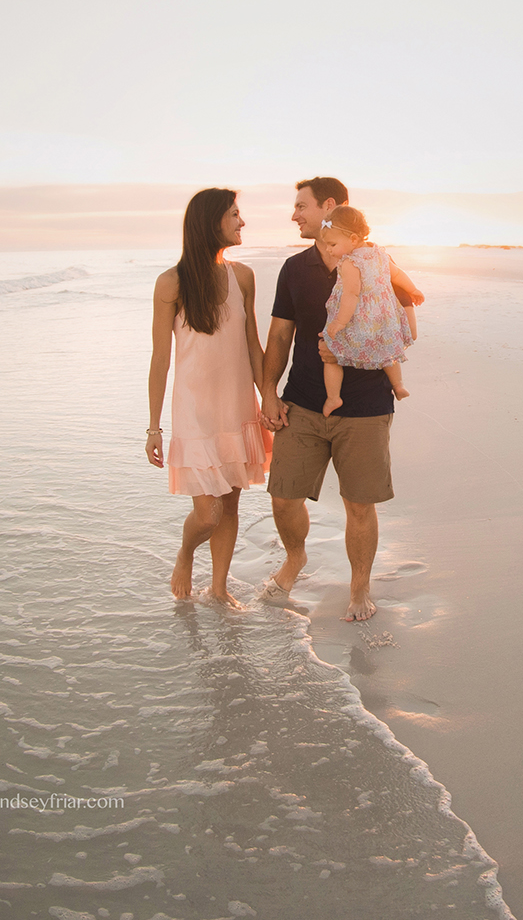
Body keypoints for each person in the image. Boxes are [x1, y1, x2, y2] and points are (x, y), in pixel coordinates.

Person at [259, 177, 423, 621]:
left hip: (366, 407)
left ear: (328, 207)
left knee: (359, 503)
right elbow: (278, 335)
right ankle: (295, 559)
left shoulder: (374, 263)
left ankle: (359, 590)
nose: (294, 215)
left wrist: (347, 348)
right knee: (283, 495)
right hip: (304, 403)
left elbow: (400, 331)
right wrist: (268, 393)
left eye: (301, 206)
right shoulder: (294, 269)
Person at [146, 188, 272, 609]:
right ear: (211, 222)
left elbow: (253, 346)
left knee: (231, 503)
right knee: (208, 514)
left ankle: (219, 587)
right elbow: (161, 359)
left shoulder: (243, 277)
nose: (242, 222)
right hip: (195, 414)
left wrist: (267, 396)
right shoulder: (172, 283)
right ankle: (185, 554)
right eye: (235, 214)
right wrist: (153, 427)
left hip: (237, 408)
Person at [317, 205, 415, 415]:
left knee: (331, 351)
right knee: (388, 353)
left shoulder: (350, 263)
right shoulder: (380, 254)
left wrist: (339, 323)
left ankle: (333, 398)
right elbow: (397, 275)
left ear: (353, 239)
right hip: (382, 320)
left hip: (358, 321)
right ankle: (398, 385)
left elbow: (351, 295)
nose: (328, 249)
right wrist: (413, 289)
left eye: (332, 244)